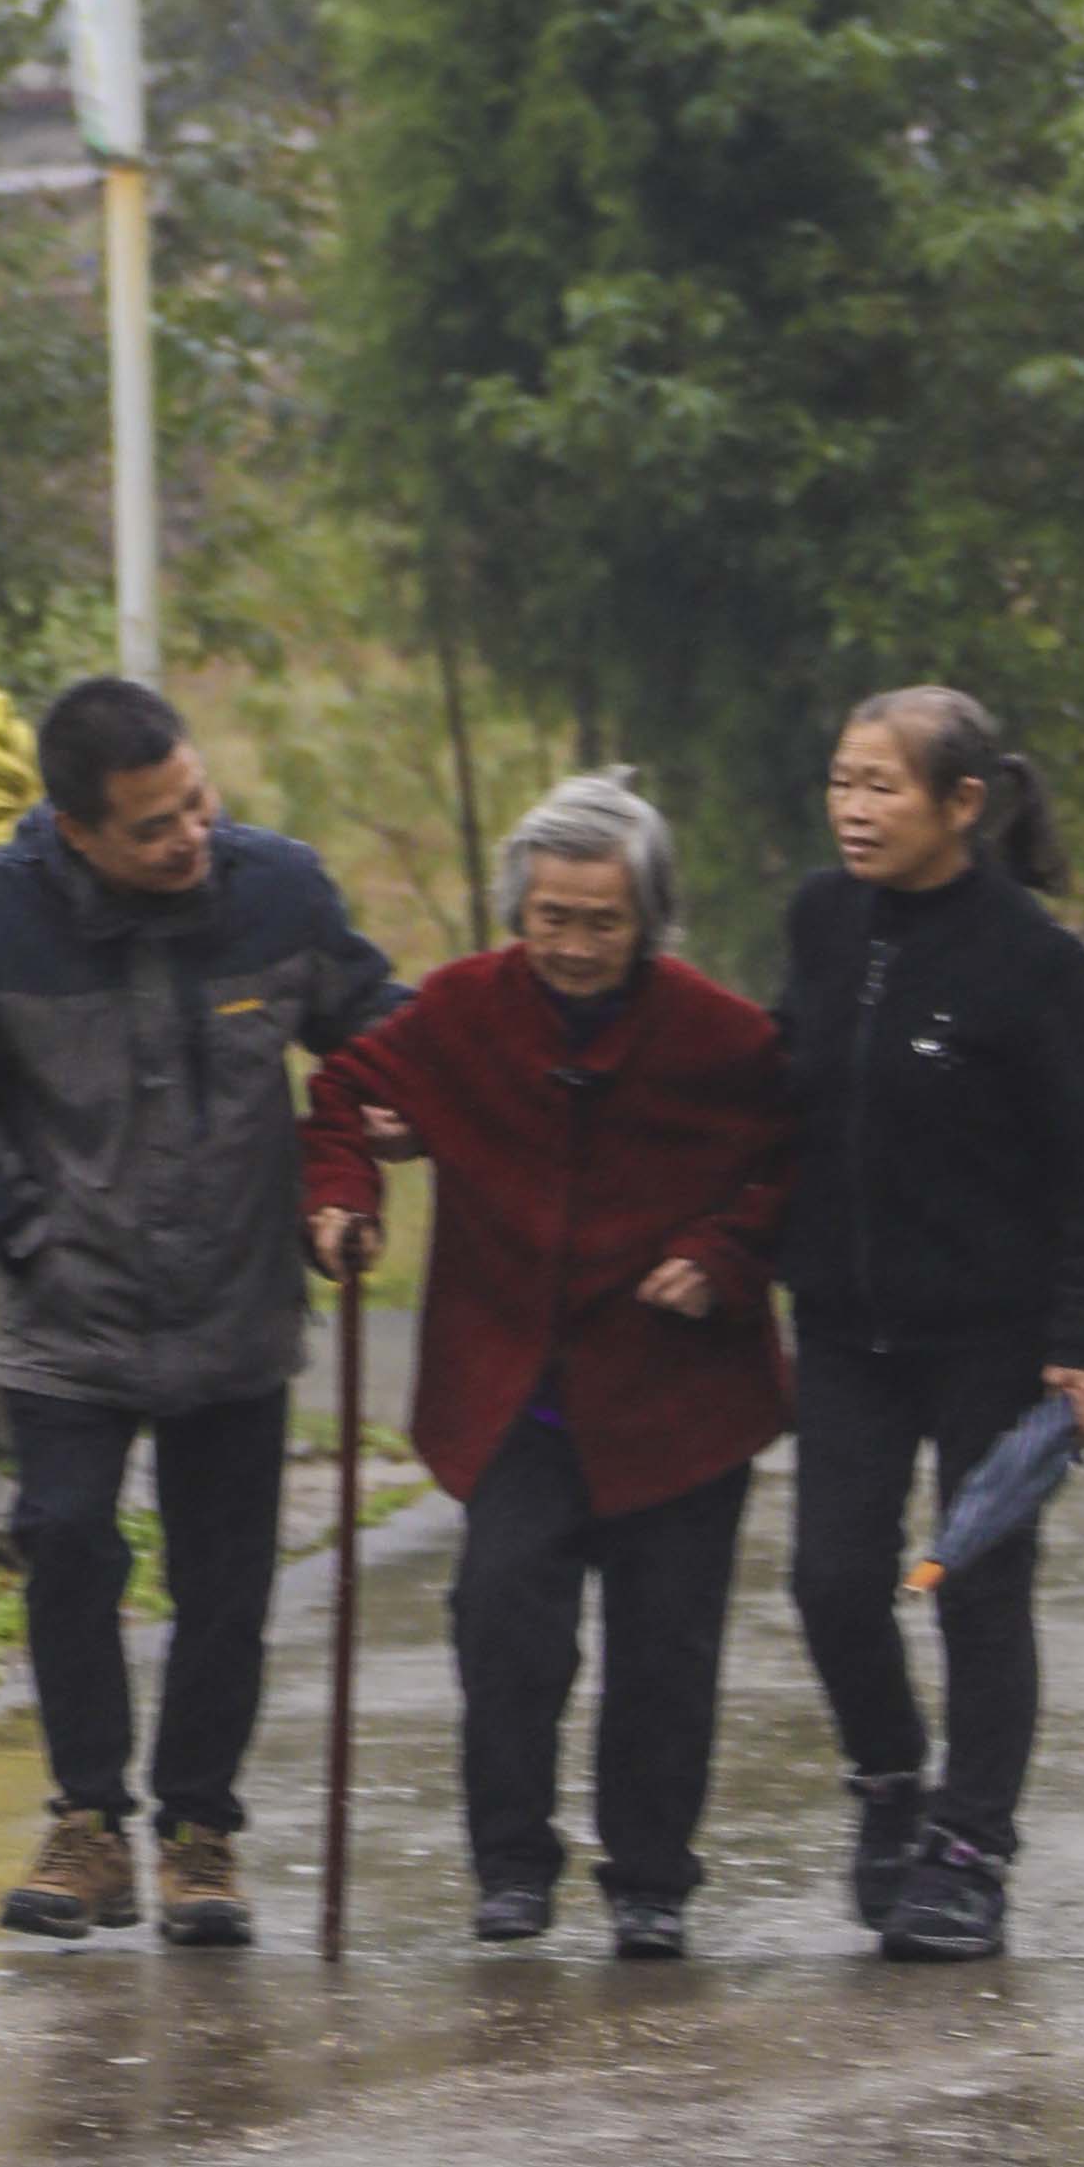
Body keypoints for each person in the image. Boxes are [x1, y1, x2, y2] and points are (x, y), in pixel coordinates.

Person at [0, 672, 402, 1950]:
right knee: (64, 1542)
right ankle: (87, 1824)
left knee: (223, 1580)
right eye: (154, 826)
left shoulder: (278, 889)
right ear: (77, 831)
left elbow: (377, 1037)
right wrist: (21, 1230)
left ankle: (200, 1834)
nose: (190, 839)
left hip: (235, 1298)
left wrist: (372, 1143)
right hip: (73, 1306)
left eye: (196, 804)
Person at [302, 770, 790, 1961]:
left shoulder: (720, 1036)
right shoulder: (465, 1010)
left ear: (649, 923)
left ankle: (651, 1881)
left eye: (600, 923)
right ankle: (511, 1869)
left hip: (676, 1397)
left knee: (664, 1649)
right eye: (549, 919)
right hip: (516, 1388)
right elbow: (343, 1094)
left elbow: (794, 1160)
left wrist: (719, 1254)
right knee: (503, 1626)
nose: (571, 947)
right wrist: (341, 1205)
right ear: (517, 913)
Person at [778, 681, 1084, 1966]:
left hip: (993, 1336)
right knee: (829, 1581)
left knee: (978, 1591)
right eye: (841, 780)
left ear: (962, 804)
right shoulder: (822, 923)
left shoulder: (1036, 964)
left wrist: (1083, 1345)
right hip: (841, 1328)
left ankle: (970, 1852)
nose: (854, 808)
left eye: (881, 786)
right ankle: (890, 1785)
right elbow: (776, 1089)